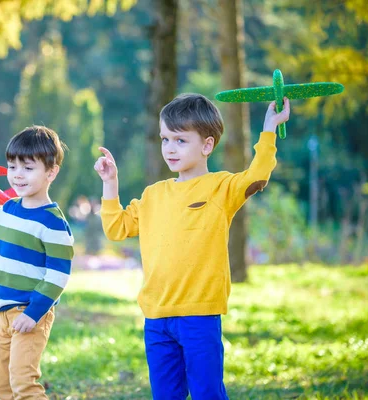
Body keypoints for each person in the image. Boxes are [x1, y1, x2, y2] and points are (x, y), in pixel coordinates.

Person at [94, 94, 290, 400]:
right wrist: (110, 183)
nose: (170, 148)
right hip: (157, 319)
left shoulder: (221, 188)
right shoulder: (153, 195)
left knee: (207, 393)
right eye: (165, 139)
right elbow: (116, 228)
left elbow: (257, 176)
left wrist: (269, 129)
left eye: (180, 140)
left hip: (199, 316)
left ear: (207, 145)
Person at [0, 125, 74, 400]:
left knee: (24, 385)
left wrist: (33, 313)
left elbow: (58, 275)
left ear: (51, 172)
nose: (17, 174)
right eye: (12, 166)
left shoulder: (54, 223)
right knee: (3, 387)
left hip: (32, 313)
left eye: (28, 168)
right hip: (3, 312)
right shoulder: (7, 209)